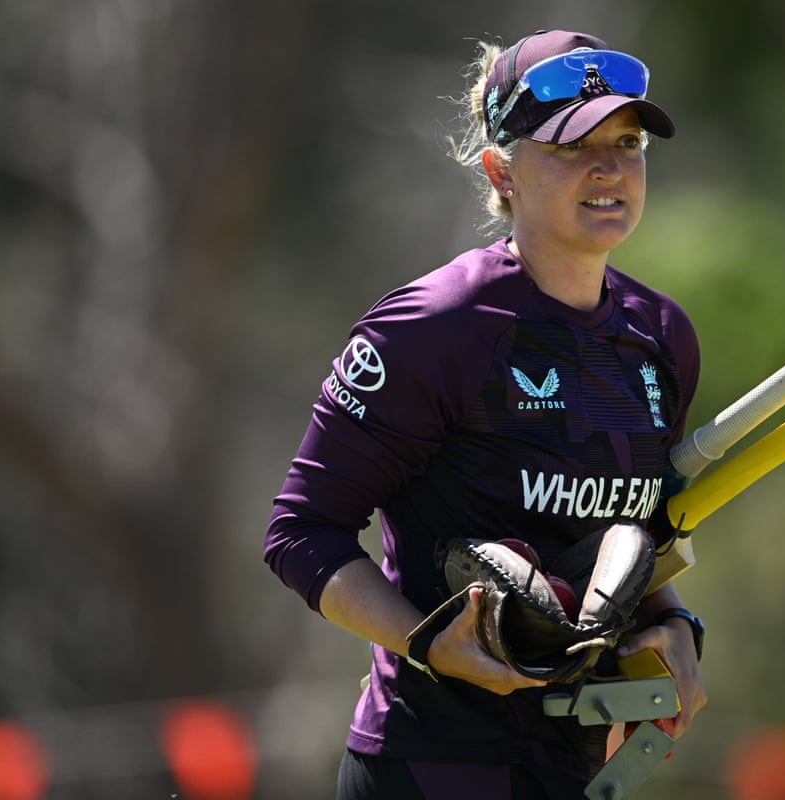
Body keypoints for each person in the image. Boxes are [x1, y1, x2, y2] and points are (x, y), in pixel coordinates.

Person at [264, 28, 708, 799]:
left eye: (627, 143)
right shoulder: (435, 328)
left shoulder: (663, 336)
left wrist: (674, 627)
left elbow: (632, 540)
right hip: (427, 767)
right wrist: (428, 642)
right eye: (573, 146)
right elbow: (301, 534)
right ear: (502, 170)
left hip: (576, 766)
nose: (609, 169)